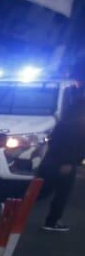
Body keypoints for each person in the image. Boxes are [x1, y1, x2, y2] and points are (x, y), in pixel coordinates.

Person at [38, 85, 84, 232]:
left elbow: (54, 142)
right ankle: (52, 221)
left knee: (41, 190)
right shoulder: (77, 125)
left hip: (51, 161)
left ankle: (13, 209)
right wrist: (68, 162)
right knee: (62, 193)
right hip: (64, 164)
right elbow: (72, 145)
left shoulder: (65, 122)